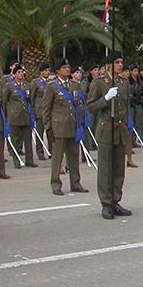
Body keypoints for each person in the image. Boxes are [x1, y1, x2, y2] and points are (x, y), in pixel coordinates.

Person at [87, 52, 132, 220]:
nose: (121, 65)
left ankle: (115, 201)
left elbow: (126, 106)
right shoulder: (99, 82)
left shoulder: (123, 82)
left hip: (120, 129)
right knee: (106, 169)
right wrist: (105, 98)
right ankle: (106, 203)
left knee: (119, 168)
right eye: (117, 62)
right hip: (106, 128)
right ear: (109, 65)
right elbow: (90, 106)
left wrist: (128, 125)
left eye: (121, 62)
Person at [42, 58, 89, 195]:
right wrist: (48, 127)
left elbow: (80, 104)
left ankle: (76, 183)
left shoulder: (74, 85)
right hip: (59, 127)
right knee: (57, 158)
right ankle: (56, 184)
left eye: (68, 67)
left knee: (74, 157)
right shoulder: (52, 86)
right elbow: (46, 108)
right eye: (64, 67)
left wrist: (81, 121)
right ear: (57, 71)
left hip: (73, 126)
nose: (67, 70)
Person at [2, 64, 38, 168]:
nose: (21, 74)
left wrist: (32, 115)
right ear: (14, 74)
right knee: (15, 140)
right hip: (14, 117)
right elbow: (4, 102)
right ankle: (16, 160)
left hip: (26, 116)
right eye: (18, 72)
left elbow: (30, 101)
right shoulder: (9, 86)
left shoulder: (27, 86)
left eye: (22, 72)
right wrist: (5, 117)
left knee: (28, 140)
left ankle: (29, 160)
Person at [29, 62, 52, 160]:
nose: (47, 73)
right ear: (41, 72)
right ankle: (40, 152)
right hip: (39, 112)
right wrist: (33, 111)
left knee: (51, 133)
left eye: (48, 71)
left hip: (50, 112)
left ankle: (52, 151)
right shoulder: (36, 82)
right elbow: (32, 98)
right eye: (45, 71)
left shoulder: (51, 82)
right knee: (40, 133)